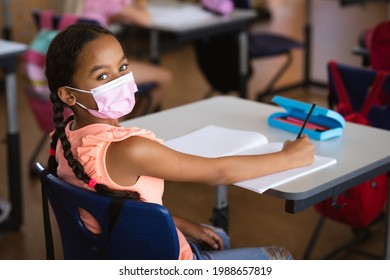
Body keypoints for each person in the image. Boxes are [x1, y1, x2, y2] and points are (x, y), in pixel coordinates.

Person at [46, 23, 314, 260]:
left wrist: (180, 223)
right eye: (103, 76)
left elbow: (114, 207)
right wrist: (290, 157)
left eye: (123, 67)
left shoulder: (63, 138)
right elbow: (219, 172)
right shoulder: (129, 149)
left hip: (115, 251)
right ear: (69, 95)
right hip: (167, 261)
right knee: (282, 258)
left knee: (217, 235)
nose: (120, 80)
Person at [65, 0, 172, 117]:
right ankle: (132, 124)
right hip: (91, 72)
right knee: (164, 77)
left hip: (58, 74)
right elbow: (144, 20)